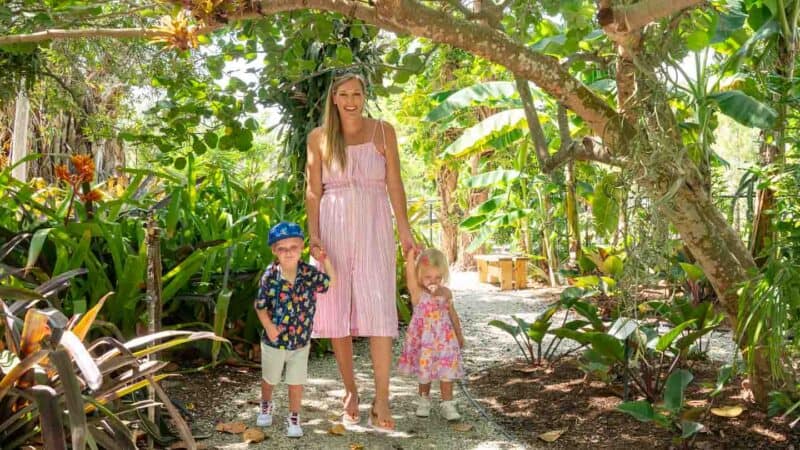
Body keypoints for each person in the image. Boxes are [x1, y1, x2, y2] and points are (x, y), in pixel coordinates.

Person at [305, 72, 418, 431]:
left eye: (358, 93)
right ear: (334, 99)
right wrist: (314, 235)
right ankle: (351, 390)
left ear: (364, 96)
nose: (352, 100)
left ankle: (382, 397)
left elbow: (395, 183)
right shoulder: (318, 138)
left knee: (378, 305)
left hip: (374, 225)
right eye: (345, 94)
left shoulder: (383, 131)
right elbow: (313, 191)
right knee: (336, 309)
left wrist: (405, 231)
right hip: (333, 228)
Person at [254, 221, 335, 437]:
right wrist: (269, 327)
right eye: (282, 248)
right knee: (270, 378)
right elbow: (260, 306)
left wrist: (324, 260)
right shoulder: (270, 276)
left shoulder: (308, 273)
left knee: (296, 381)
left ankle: (294, 416)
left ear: (301, 248)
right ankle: (266, 403)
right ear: (274, 251)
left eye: (293, 247)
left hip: (300, 340)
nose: (288, 252)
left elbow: (329, 283)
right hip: (275, 340)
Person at [397, 247, 465, 421]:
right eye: (428, 277)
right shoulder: (417, 292)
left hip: (445, 339)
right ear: (420, 275)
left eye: (437, 277)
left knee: (447, 371)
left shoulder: (445, 292)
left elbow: (453, 314)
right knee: (425, 370)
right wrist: (411, 256)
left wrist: (459, 334)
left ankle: (448, 403)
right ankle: (423, 400)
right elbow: (410, 275)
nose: (433, 281)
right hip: (425, 341)